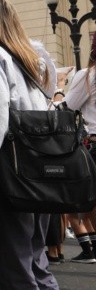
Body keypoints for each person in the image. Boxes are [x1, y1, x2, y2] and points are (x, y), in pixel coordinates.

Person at [0, 0, 62, 290]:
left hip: (15, 165)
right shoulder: (31, 55)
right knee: (37, 262)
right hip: (42, 165)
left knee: (16, 268)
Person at [58, 32, 96, 264]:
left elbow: (67, 108)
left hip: (93, 145)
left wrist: (59, 88)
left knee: (88, 202)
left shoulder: (88, 76)